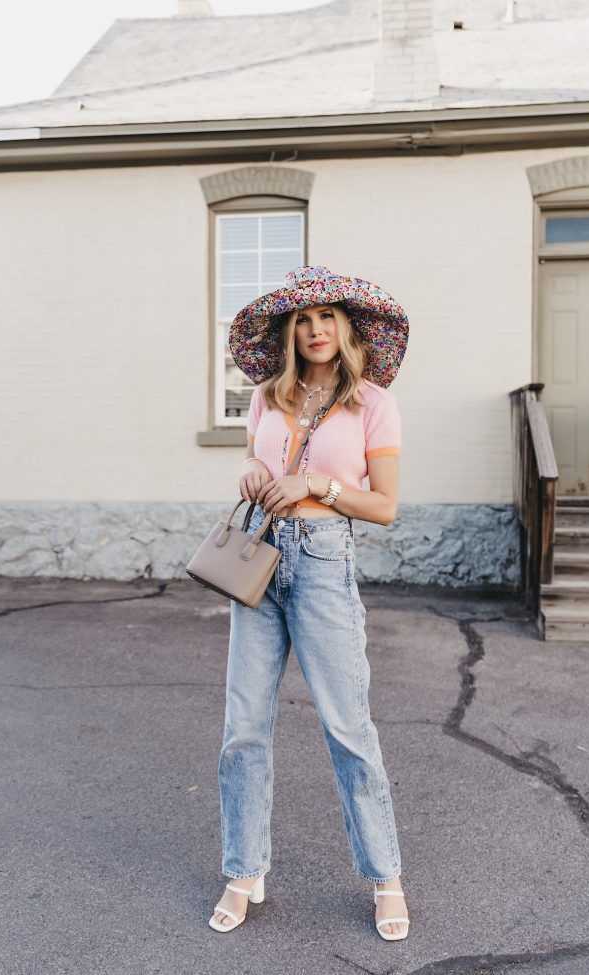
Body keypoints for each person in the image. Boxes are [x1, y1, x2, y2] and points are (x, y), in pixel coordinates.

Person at [208, 266, 410, 941]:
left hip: (323, 560)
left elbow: (383, 506)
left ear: (346, 327)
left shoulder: (373, 403)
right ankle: (244, 869)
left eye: (327, 317)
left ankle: (385, 876)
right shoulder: (268, 395)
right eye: (304, 318)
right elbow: (261, 461)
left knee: (349, 728)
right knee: (243, 726)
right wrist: (256, 474)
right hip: (261, 563)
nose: (316, 328)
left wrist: (320, 482)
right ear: (290, 330)